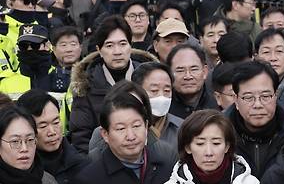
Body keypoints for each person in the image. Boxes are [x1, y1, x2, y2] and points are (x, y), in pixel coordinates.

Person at [68, 15, 158, 153]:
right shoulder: (85, 86)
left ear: (130, 44)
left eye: (123, 44)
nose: (117, 52)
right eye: (109, 45)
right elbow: (81, 138)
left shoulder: (150, 78)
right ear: (99, 50)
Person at [225, 61, 284, 179]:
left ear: (275, 96)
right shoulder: (221, 134)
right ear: (236, 100)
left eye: (265, 96)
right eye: (248, 97)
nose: (257, 104)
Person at [16, 90, 87, 184]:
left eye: (56, 122)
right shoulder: (15, 171)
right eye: (43, 126)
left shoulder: (82, 168)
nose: (52, 132)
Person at [167, 43, 218, 119]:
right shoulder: (164, 108)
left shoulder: (218, 103)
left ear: (205, 72)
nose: (188, 76)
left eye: (194, 69)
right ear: (169, 74)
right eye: (180, 70)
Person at [255, 28, 284, 96]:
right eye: (266, 52)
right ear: (256, 57)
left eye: (279, 51)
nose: (273, 58)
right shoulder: (248, 86)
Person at [51, 25, 82, 92]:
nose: (69, 49)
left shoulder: (91, 72)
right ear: (54, 49)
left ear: (80, 48)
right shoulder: (47, 73)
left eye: (73, 44)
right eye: (63, 45)